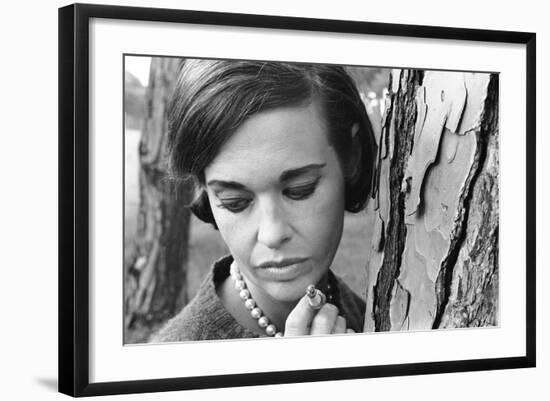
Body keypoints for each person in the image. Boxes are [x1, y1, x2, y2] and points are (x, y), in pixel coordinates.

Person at [150, 59, 377, 342]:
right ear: (205, 191)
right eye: (235, 202)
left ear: (351, 156)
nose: (272, 234)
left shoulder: (380, 320)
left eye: (300, 190)